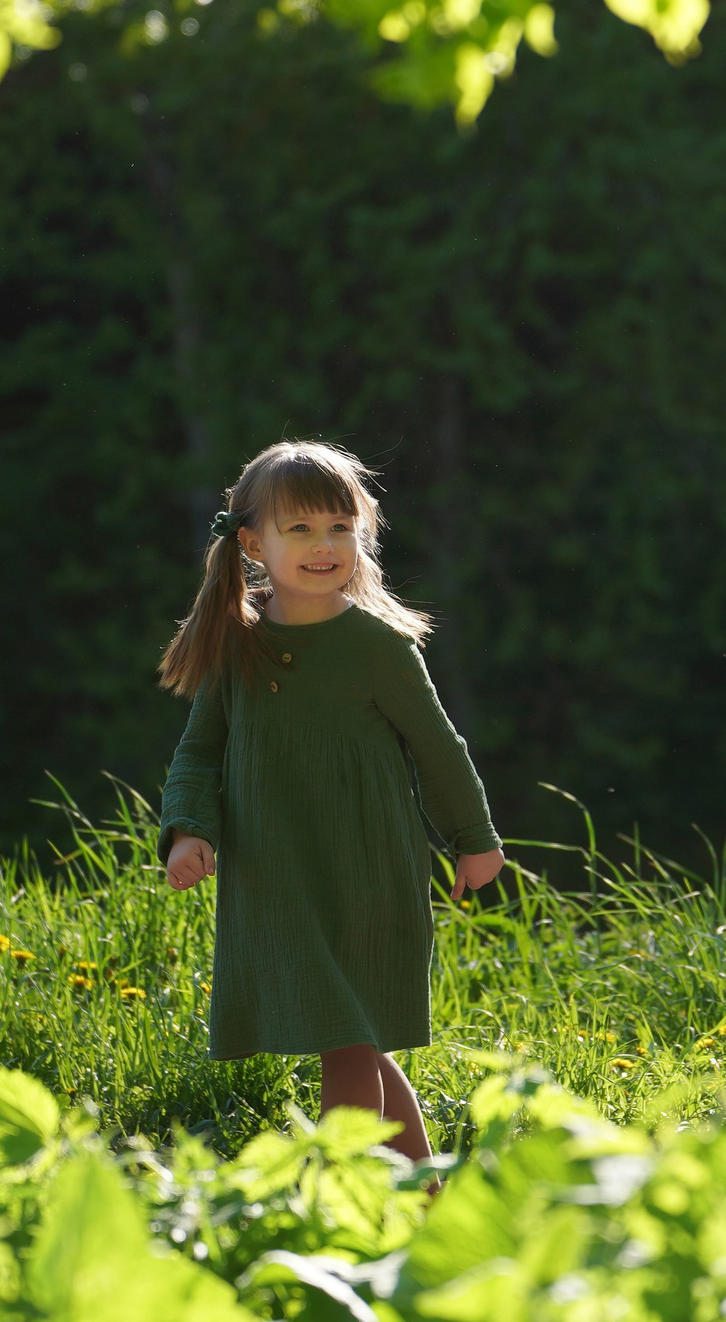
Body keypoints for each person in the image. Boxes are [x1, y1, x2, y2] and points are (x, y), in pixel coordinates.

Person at [155, 439, 505, 1174]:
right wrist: (188, 830)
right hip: (279, 875)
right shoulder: (238, 648)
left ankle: (334, 1193)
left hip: (366, 872)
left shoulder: (379, 647)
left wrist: (474, 837)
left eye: (340, 527)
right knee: (353, 1042)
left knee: (347, 1041)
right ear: (253, 543)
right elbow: (198, 751)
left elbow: (438, 747)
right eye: (301, 528)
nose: (324, 545)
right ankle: (421, 1198)